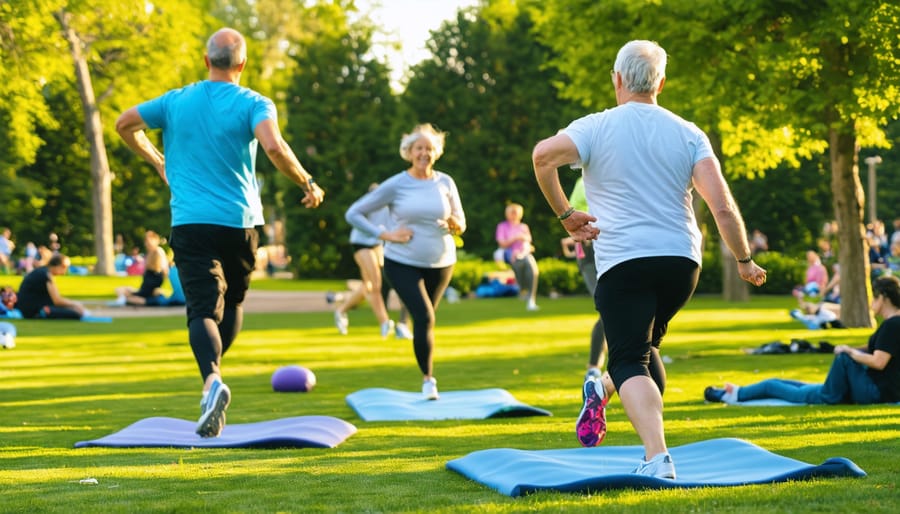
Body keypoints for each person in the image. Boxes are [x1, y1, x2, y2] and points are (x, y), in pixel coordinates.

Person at [531, 40, 767, 479]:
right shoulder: (689, 132)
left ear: (616, 80)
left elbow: (542, 156)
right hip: (681, 265)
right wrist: (743, 259)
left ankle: (657, 459)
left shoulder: (596, 127)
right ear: (661, 82)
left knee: (628, 358)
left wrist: (566, 215)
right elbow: (722, 207)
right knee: (643, 353)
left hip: (624, 261)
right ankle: (600, 389)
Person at [116, 27, 324, 438]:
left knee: (201, 310)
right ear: (242, 64)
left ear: (206, 60)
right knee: (231, 305)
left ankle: (212, 380)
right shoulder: (254, 102)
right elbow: (276, 148)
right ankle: (213, 380)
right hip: (240, 223)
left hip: (192, 222)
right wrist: (307, 183)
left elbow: (124, 124)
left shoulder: (176, 101)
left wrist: (158, 160)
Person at [345, 123, 465, 400]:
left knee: (426, 321)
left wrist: (456, 224)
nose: (424, 152)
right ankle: (428, 380)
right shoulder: (397, 184)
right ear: (409, 152)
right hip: (401, 261)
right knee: (424, 316)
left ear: (437, 152)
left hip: (442, 261)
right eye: (419, 148)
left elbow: (461, 220)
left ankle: (424, 367)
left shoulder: (446, 182)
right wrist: (384, 233)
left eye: (429, 148)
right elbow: (355, 213)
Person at [707, 275, 900, 405]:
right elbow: (875, 348)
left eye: (873, 298)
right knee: (789, 383)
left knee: (835, 364)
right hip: (873, 388)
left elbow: (878, 361)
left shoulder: (892, 324)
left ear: (883, 298)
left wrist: (848, 352)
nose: (872, 303)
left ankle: (730, 395)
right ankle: (737, 392)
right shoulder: (894, 325)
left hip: (874, 392)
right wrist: (849, 348)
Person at [334, 183, 402, 338]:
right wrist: (377, 232)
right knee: (376, 283)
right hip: (361, 243)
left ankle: (341, 311)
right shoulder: (366, 203)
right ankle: (384, 322)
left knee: (368, 286)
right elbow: (353, 216)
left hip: (376, 244)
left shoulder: (390, 204)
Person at [561, 177, 607, 380]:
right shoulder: (584, 183)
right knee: (607, 307)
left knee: (615, 308)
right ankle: (594, 366)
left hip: (611, 251)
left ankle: (615, 362)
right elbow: (570, 215)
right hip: (588, 253)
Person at [495, 203, 540, 311]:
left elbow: (529, 244)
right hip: (508, 253)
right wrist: (515, 239)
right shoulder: (502, 226)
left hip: (524, 253)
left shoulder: (524, 227)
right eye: (512, 212)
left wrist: (522, 251)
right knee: (520, 261)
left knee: (532, 267)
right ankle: (523, 289)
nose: (514, 215)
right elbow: (501, 244)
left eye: (516, 212)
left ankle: (530, 298)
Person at [15, 254, 86, 319]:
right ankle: (43, 313)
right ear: (59, 265)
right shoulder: (46, 274)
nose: (65, 271)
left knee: (73, 309)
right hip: (33, 310)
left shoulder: (42, 271)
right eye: (64, 267)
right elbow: (57, 300)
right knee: (77, 312)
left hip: (28, 308)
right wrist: (75, 304)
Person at [111, 230, 169, 306]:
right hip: (145, 288)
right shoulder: (149, 255)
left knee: (134, 298)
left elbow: (164, 271)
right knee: (120, 290)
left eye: (148, 241)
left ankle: (127, 301)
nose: (146, 244)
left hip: (150, 288)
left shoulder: (158, 252)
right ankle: (126, 300)